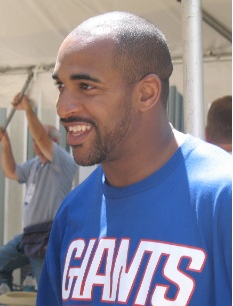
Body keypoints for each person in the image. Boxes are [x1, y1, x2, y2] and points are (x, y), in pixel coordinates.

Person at [36, 11, 232, 306]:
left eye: (86, 86)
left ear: (146, 93)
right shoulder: (72, 212)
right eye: (60, 86)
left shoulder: (221, 197)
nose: (63, 107)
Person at [0, 93, 78, 290]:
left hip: (47, 238)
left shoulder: (63, 162)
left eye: (40, 140)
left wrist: (28, 109)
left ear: (54, 143)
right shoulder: (35, 166)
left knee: (47, 288)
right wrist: (6, 143)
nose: (36, 144)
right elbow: (11, 171)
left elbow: (40, 136)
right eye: (33, 141)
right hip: (30, 236)